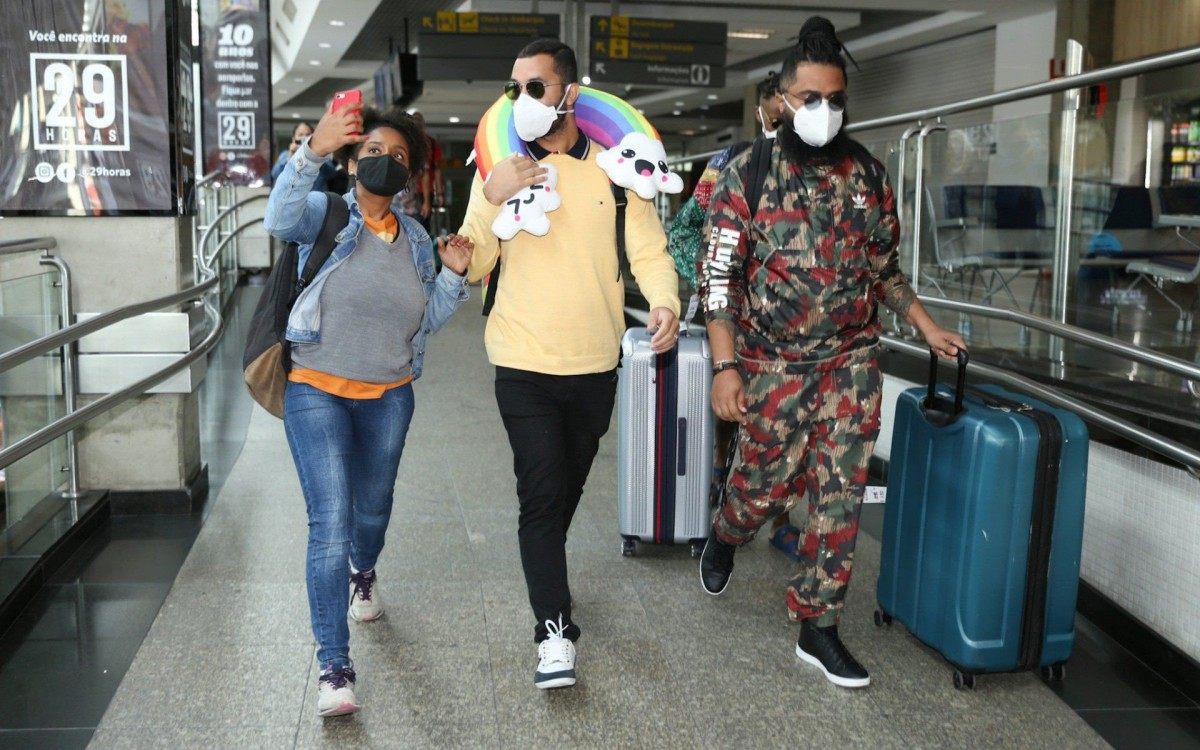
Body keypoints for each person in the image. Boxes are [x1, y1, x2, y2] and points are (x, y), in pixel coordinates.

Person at [697, 17, 966, 690]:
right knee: (762, 487)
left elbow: (885, 270)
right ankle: (728, 531)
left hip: (850, 364)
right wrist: (726, 366)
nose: (824, 111)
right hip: (772, 367)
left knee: (837, 496)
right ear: (784, 99)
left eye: (835, 98)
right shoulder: (746, 175)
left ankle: (818, 628)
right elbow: (719, 279)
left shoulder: (868, 175)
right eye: (810, 98)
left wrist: (927, 326)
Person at [455, 39, 680, 690]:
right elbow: (475, 265)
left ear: (569, 94)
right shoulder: (500, 167)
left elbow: (650, 252)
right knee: (540, 496)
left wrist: (664, 302)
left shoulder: (615, 169)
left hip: (594, 363)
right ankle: (553, 630)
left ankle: (548, 567)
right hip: (522, 360)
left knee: (563, 492)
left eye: (535, 86)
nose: (521, 99)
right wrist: (490, 205)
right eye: (514, 87)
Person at [263, 103, 473, 717]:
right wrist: (313, 150)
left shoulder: (412, 239)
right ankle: (334, 665)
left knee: (372, 509)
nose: (388, 163)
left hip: (388, 394)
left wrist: (454, 278)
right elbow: (278, 217)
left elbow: (424, 319)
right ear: (355, 160)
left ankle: (366, 570)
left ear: (409, 177)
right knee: (327, 522)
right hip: (315, 388)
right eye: (376, 151)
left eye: (401, 158)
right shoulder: (323, 214)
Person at [667, 73, 804, 560]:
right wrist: (712, 279)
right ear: (761, 113)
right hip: (730, 317)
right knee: (730, 406)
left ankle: (781, 517)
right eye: (775, 115)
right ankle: (722, 482)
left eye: (789, 115)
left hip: (787, 324)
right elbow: (684, 230)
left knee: (784, 419)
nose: (781, 124)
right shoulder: (729, 164)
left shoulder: (817, 168)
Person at [271, 121, 340, 192]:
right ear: (293, 138)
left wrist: (316, 156)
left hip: (316, 200)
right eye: (300, 135)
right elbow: (275, 174)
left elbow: (332, 174)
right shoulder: (285, 155)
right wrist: (291, 156)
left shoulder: (321, 154)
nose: (304, 138)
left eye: (307, 135)